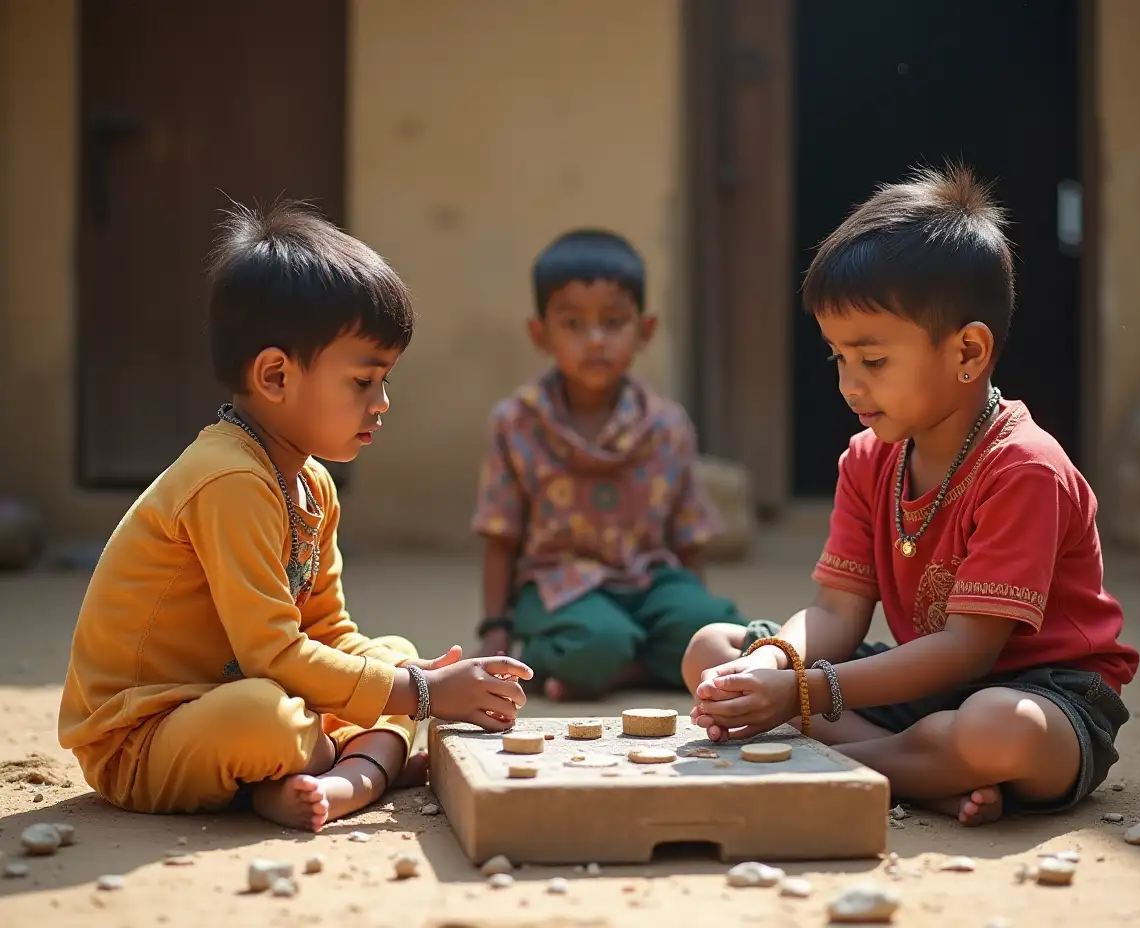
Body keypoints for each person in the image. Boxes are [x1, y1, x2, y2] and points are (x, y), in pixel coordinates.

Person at [682, 165, 1139, 825]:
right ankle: (921, 773)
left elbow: (967, 651)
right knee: (712, 651)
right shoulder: (870, 458)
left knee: (994, 729)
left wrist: (799, 697)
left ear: (968, 351)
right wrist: (773, 665)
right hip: (917, 683)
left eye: (873, 361)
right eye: (838, 358)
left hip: (1044, 696)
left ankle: (883, 762)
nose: (849, 385)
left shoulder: (1023, 468)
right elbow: (837, 613)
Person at [59, 201, 532, 832]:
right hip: (148, 737)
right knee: (266, 716)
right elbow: (275, 655)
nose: (382, 402)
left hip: (250, 691)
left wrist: (416, 676)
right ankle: (365, 767)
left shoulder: (310, 484)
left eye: (385, 381)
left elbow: (328, 630)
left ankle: (330, 779)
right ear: (276, 375)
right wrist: (421, 698)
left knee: (394, 652)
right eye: (363, 382)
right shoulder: (229, 478)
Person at [471, 229, 751, 701]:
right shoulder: (516, 423)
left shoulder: (666, 425)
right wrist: (495, 630)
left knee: (729, 639)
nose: (595, 340)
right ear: (540, 334)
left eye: (614, 322)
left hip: (650, 581)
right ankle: (569, 659)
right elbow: (500, 535)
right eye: (574, 324)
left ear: (644, 330)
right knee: (599, 642)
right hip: (559, 586)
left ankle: (622, 671)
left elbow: (689, 535)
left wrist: (695, 618)